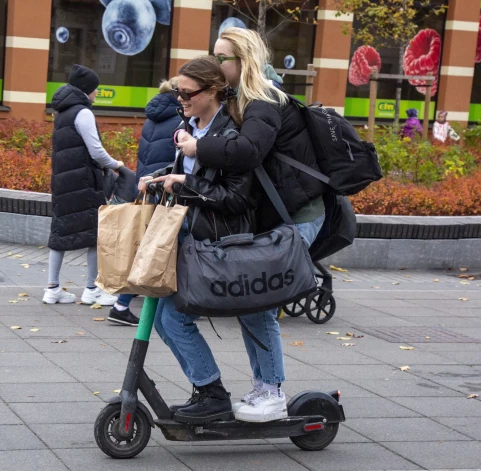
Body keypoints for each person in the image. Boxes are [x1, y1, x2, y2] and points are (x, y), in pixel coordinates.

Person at [175, 28, 326, 423]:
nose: (216, 62)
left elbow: (247, 151)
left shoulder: (265, 98)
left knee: (256, 303)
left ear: (243, 60)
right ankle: (265, 387)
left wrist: (196, 146)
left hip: (298, 216)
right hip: (273, 214)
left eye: (222, 57)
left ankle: (272, 392)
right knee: (251, 303)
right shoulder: (243, 99)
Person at [137, 55, 260, 425]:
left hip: (213, 244)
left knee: (173, 320)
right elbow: (187, 174)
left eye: (188, 93)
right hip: (186, 238)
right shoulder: (191, 126)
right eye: (178, 92)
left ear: (212, 92)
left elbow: (237, 198)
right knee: (160, 320)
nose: (181, 100)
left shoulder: (228, 136)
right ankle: (207, 391)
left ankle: (212, 393)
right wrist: (160, 176)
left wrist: (186, 185)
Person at [43, 64, 121, 307]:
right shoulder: (83, 112)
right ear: (87, 89)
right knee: (95, 235)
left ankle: (52, 289)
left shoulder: (62, 112)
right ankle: (92, 290)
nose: (97, 93)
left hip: (63, 180)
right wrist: (116, 164)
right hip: (85, 182)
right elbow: (95, 151)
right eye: (96, 89)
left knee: (59, 233)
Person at [108, 77, 182, 327]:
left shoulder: (153, 117)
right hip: (167, 188)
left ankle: (122, 304)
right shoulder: (180, 119)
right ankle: (123, 304)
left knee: (149, 246)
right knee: (157, 248)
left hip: (148, 185)